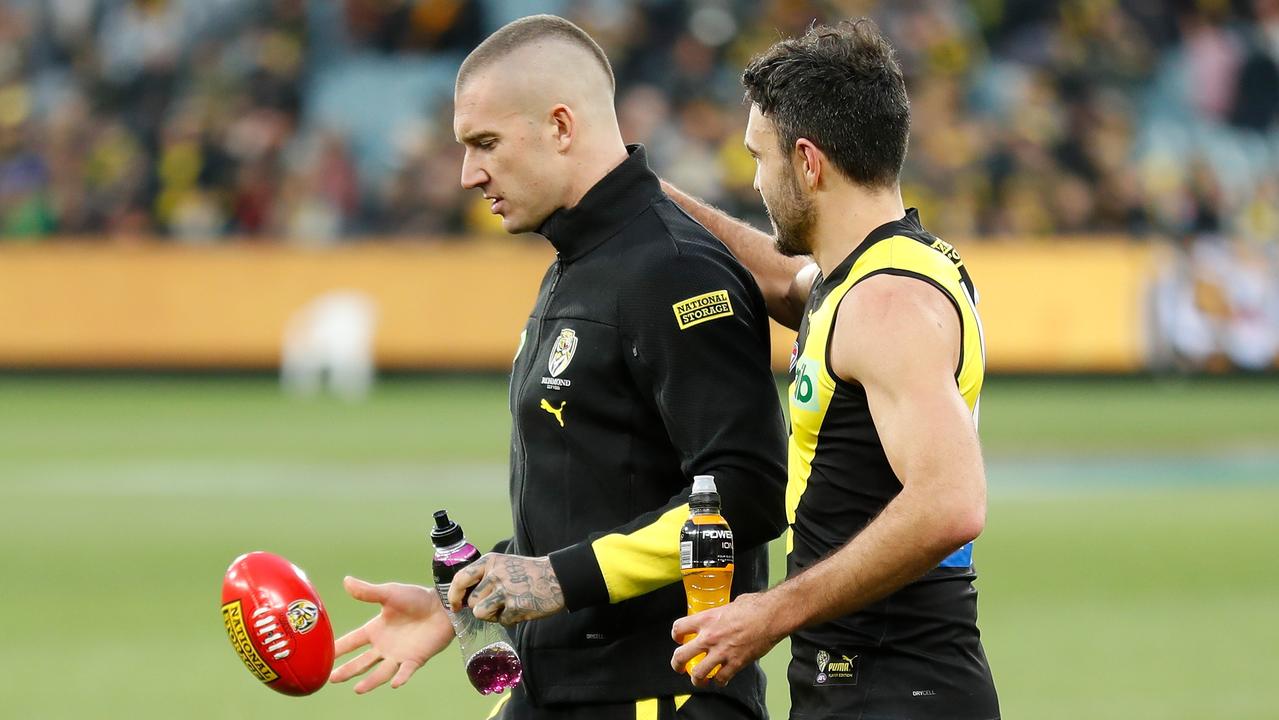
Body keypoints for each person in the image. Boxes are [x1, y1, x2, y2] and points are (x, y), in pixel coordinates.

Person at [328, 15, 788, 720]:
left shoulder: (674, 271)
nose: (467, 174)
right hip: (556, 695)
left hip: (656, 698)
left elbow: (747, 491)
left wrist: (555, 578)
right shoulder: (580, 264)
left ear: (561, 127)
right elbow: (595, 499)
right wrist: (463, 604)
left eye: (485, 143)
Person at [663, 20, 1000, 720]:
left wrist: (771, 613)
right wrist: (645, 196)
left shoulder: (887, 304)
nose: (753, 179)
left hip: (894, 687)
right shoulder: (876, 273)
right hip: (874, 680)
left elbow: (951, 503)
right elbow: (789, 284)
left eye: (759, 157)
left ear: (808, 163)